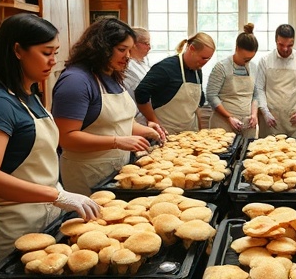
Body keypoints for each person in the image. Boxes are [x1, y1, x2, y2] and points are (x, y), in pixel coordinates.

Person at [0, 14, 99, 266]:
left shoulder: (30, 95)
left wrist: (60, 194)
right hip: (12, 221)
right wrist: (56, 196)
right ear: (17, 50)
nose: (53, 61)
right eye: (46, 52)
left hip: (44, 217)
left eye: (55, 52)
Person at [52, 17, 164, 196]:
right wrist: (117, 141)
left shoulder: (111, 75)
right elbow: (66, 138)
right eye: (121, 50)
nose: (127, 56)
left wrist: (145, 130)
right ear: (101, 47)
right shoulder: (76, 81)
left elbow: (114, 121)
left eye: (129, 50)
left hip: (114, 171)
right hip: (88, 172)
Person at [135, 32, 215, 134]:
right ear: (191, 49)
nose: (205, 62)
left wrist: (201, 132)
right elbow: (141, 93)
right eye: (203, 58)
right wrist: (155, 122)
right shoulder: (165, 68)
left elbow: (197, 106)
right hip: (166, 132)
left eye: (209, 59)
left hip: (190, 132)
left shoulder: (197, 71)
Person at [255, 24, 296, 138]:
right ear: (276, 40)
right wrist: (265, 112)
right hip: (271, 119)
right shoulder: (265, 61)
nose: (285, 49)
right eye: (281, 45)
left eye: (289, 45)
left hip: (294, 118)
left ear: (294, 41)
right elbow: (259, 89)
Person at [207, 23, 259, 138]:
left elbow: (256, 95)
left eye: (250, 59)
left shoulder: (254, 68)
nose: (247, 61)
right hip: (223, 123)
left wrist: (254, 114)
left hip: (247, 123)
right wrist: (229, 117)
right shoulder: (221, 67)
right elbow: (211, 95)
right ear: (236, 49)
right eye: (245, 58)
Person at [124, 27, 151, 125]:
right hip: (137, 119)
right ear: (134, 44)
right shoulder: (128, 66)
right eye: (146, 43)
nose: (149, 47)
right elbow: (138, 93)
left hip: (148, 117)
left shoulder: (143, 65)